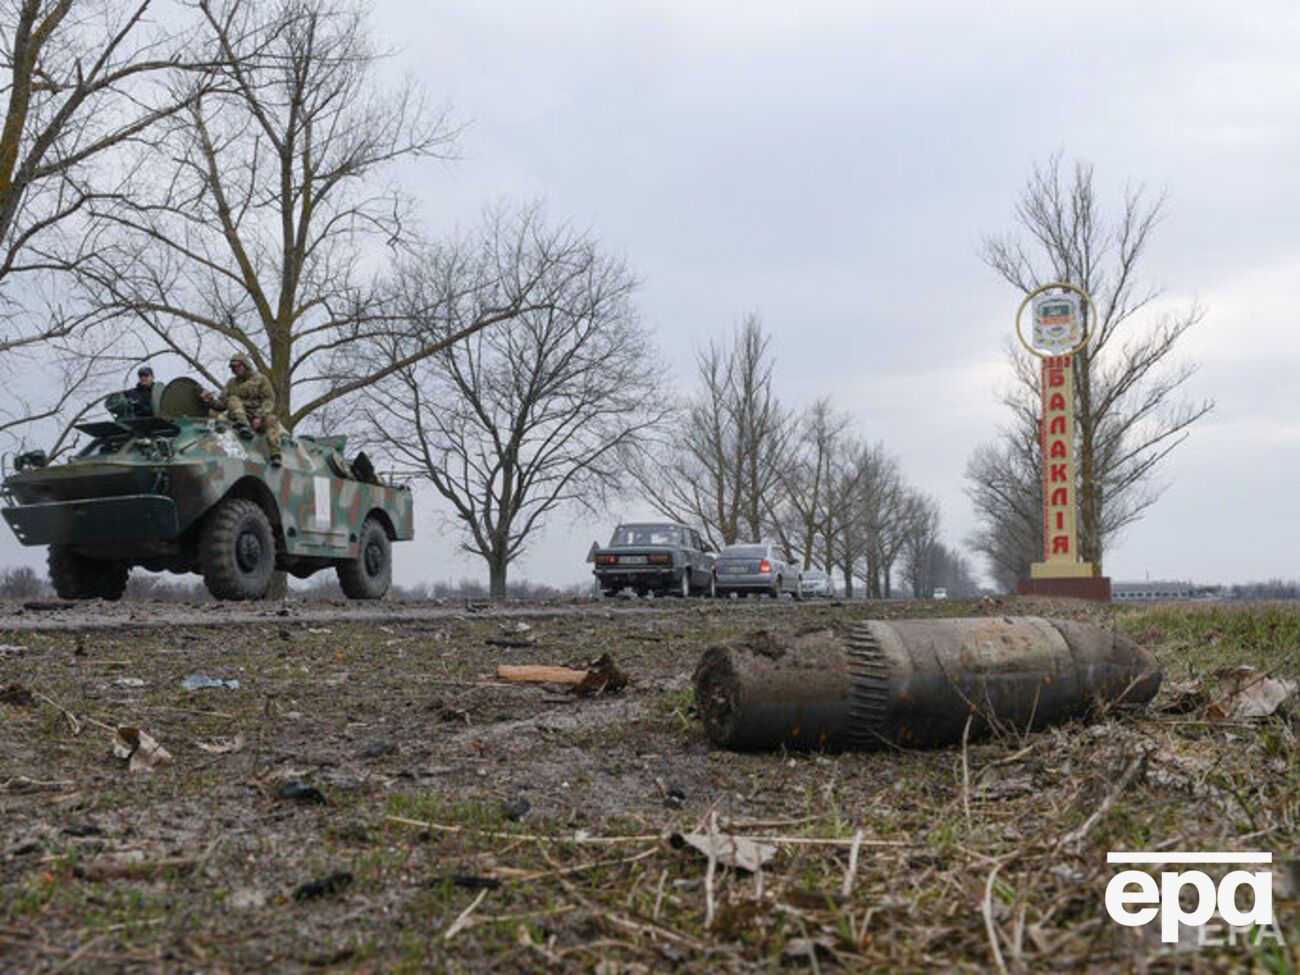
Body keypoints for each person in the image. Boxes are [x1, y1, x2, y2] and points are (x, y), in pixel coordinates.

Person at [201, 353, 283, 466]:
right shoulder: (231, 383)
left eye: (239, 366)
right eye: (234, 367)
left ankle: (275, 455)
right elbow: (221, 404)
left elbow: (269, 400)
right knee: (233, 399)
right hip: (239, 418)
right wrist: (210, 400)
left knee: (271, 419)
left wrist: (259, 416)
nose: (236, 369)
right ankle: (244, 426)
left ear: (246, 365)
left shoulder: (260, 379)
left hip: (258, 415)